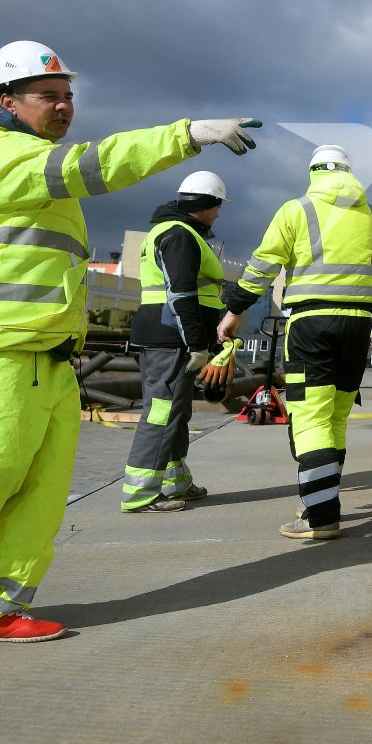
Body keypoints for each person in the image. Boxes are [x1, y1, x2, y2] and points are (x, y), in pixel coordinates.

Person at [0, 39, 258, 646]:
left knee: (40, 491)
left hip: (46, 353)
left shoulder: (30, 164)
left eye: (69, 96)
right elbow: (89, 166)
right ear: (6, 100)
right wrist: (186, 134)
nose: (64, 106)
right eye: (49, 96)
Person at [218, 144, 372, 542]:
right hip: (358, 326)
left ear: (313, 172)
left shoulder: (296, 209)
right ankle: (322, 500)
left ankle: (319, 516)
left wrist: (234, 311)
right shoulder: (371, 214)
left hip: (311, 324)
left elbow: (263, 265)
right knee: (335, 418)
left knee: (311, 418)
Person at [121, 170, 233, 513]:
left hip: (164, 335)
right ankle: (140, 494)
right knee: (161, 412)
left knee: (175, 412)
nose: (218, 214)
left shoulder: (166, 230)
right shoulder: (180, 235)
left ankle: (174, 482)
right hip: (173, 338)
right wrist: (199, 344)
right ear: (205, 204)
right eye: (217, 207)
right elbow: (182, 294)